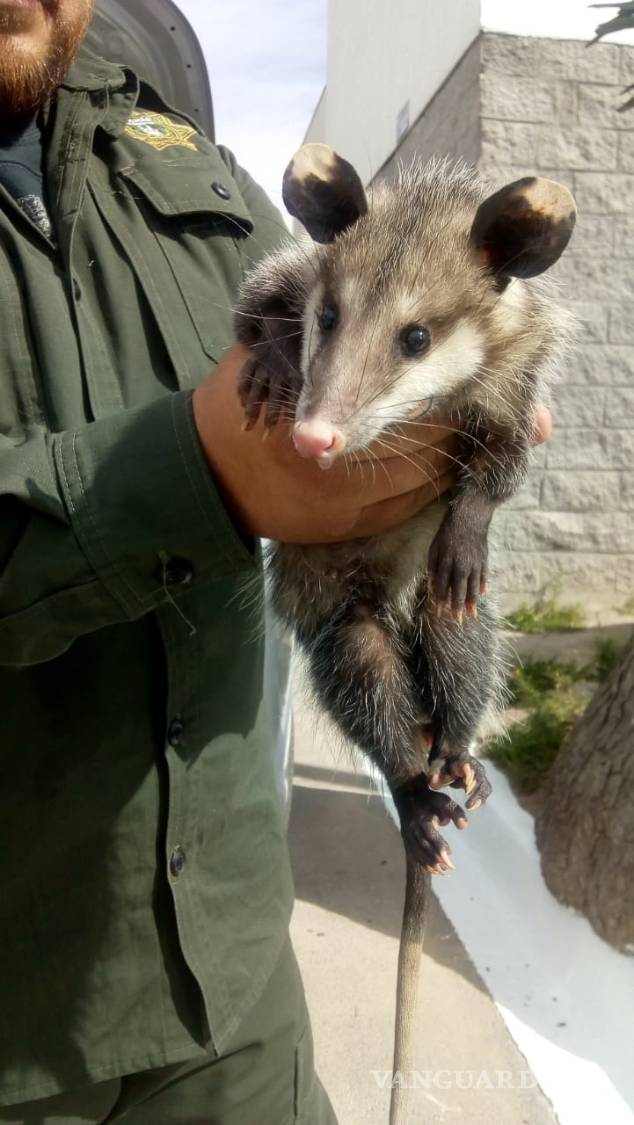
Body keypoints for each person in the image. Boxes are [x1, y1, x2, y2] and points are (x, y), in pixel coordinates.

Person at [0, 2, 551, 1122]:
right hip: (28, 1031)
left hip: (236, 1010)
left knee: (451, 623)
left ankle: (430, 771)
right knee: (349, 639)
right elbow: (279, 304)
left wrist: (471, 507)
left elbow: (296, 287)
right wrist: (200, 462)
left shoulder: (166, 135)